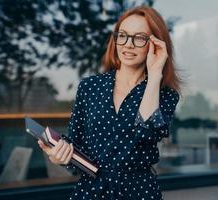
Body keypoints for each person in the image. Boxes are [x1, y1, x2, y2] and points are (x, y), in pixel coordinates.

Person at [38, 5, 181, 200]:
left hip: (139, 193)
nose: (128, 44)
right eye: (122, 35)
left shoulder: (164, 94)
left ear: (155, 44)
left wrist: (155, 75)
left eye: (139, 38)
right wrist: (58, 156)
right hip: (91, 191)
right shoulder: (89, 87)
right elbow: (76, 144)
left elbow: (146, 132)